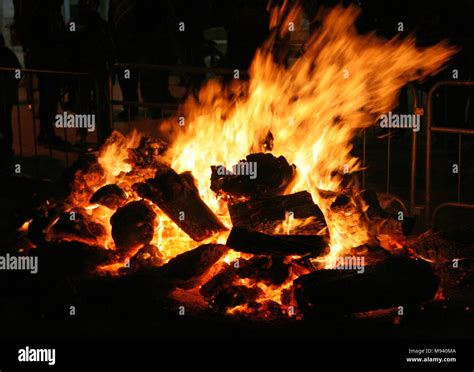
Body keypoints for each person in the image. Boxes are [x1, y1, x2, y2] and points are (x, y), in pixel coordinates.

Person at [13, 0, 69, 149]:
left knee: (48, 95)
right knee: (48, 95)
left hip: (45, 57)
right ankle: (46, 132)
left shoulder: (37, 12)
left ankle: (46, 131)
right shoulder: (43, 13)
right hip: (47, 58)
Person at [64, 0, 114, 144]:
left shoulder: (82, 24)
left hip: (86, 70)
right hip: (91, 69)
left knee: (87, 102)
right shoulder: (98, 24)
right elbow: (109, 47)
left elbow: (67, 45)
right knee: (93, 102)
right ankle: (101, 134)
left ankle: (88, 134)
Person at [0, 34, 21, 172]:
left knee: (5, 123)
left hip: (5, 95)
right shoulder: (7, 53)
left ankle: (5, 151)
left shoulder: (6, 54)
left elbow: (18, 72)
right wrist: (13, 83)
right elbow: (19, 72)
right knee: (6, 123)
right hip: (6, 95)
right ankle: (6, 150)